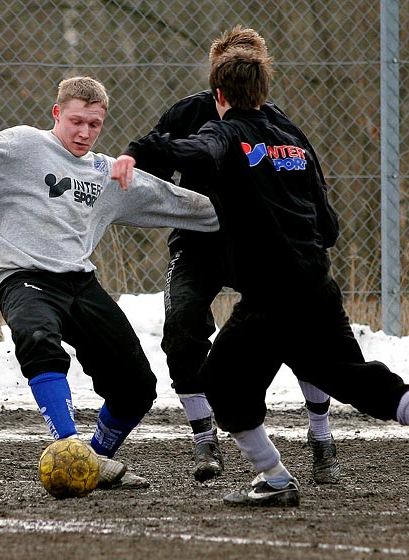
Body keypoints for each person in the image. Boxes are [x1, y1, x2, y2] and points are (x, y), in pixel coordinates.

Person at [111, 50, 409, 506]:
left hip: (269, 298)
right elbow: (330, 227)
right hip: (317, 287)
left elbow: (194, 149)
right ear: (264, 93)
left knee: (220, 382)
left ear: (217, 95)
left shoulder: (223, 133)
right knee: (354, 378)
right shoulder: (293, 142)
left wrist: (136, 153)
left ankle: (274, 478)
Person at [0, 76, 219, 491]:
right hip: (23, 277)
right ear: (57, 113)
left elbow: (175, 201)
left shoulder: (104, 172)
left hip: (80, 282)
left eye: (94, 125)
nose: (84, 132)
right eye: (76, 121)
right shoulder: (23, 146)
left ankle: (92, 462)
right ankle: (68, 444)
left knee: (136, 388)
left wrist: (250, 213)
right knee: (38, 339)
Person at [120, 26, 342, 484]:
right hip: (199, 245)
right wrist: (137, 166)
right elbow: (155, 165)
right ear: (219, 79)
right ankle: (205, 436)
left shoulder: (281, 127)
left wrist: (315, 240)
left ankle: (321, 434)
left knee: (299, 326)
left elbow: (313, 194)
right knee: (182, 325)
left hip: (260, 249)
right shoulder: (189, 115)